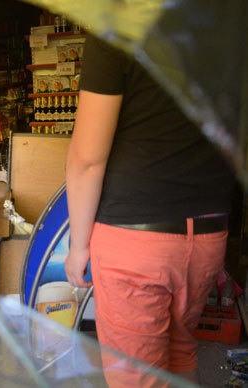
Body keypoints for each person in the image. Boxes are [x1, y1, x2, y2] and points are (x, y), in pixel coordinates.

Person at [65, 34, 235, 387]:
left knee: (136, 376)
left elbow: (87, 160)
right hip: (207, 233)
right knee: (181, 352)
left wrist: (78, 246)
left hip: (135, 239)